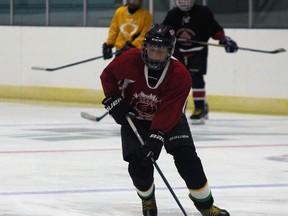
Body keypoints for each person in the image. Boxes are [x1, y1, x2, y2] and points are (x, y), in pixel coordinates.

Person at [100, 24, 230, 216]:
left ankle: (206, 206)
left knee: (188, 160)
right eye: (151, 49)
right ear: (144, 47)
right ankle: (148, 201)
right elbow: (107, 76)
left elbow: (170, 110)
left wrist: (157, 135)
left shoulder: (180, 75)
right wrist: (114, 100)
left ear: (170, 51)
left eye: (160, 51)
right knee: (138, 164)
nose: (154, 55)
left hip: (171, 120)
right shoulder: (129, 59)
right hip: (136, 120)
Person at [162, 0, 238, 125]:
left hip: (198, 51)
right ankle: (176, 108)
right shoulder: (172, 14)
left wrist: (224, 39)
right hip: (179, 51)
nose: (184, 2)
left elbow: (214, 29)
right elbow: (166, 30)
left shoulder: (203, 12)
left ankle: (199, 107)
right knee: (175, 80)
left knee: (196, 79)